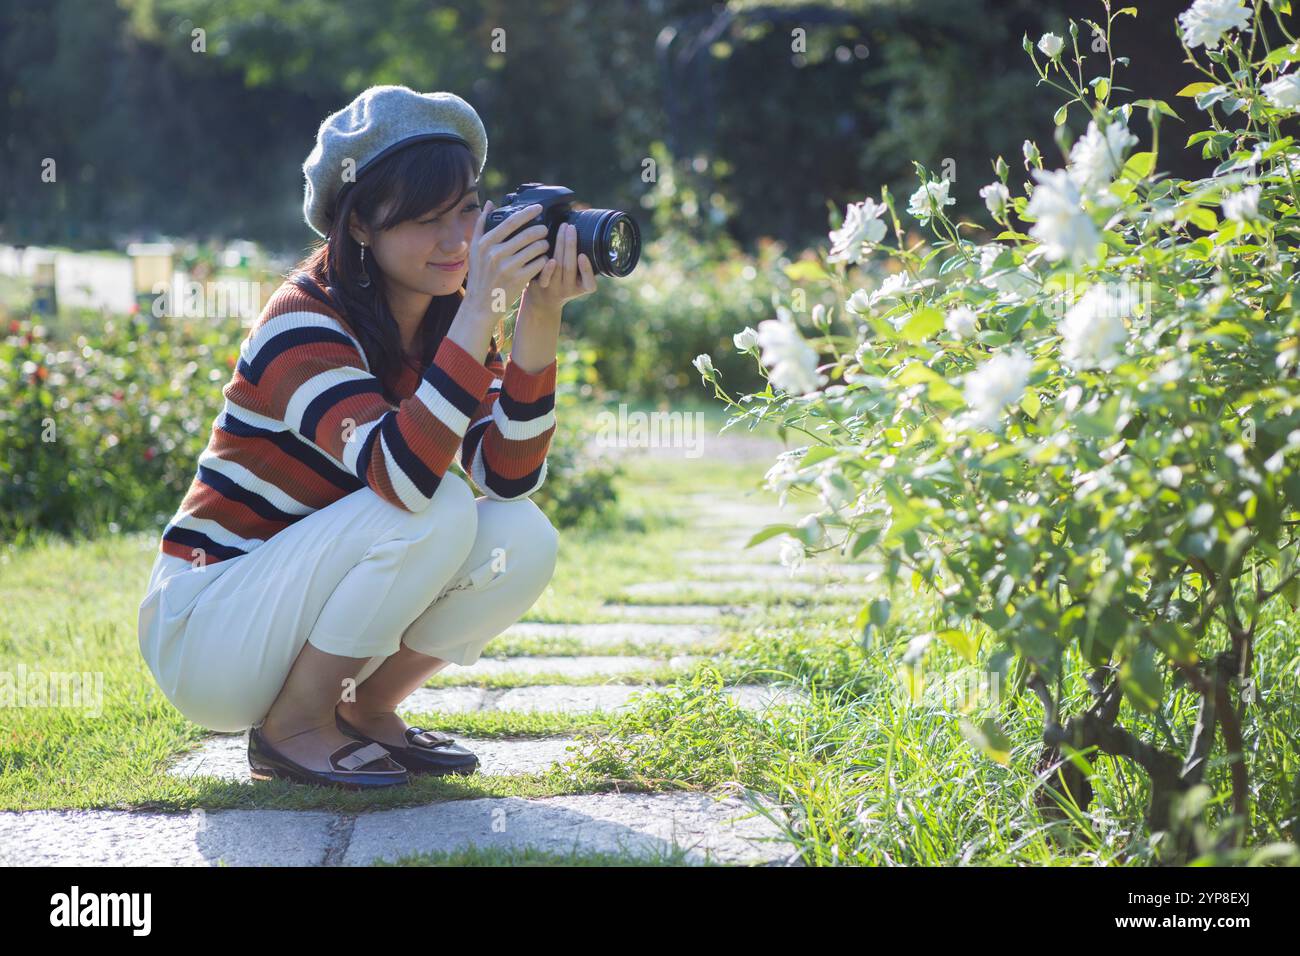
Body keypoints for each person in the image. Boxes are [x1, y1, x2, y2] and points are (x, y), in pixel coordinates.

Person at [135, 86, 598, 790]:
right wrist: (480, 310)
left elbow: (506, 475)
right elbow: (404, 478)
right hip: (208, 629)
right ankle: (293, 728)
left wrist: (537, 313)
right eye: (423, 220)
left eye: (468, 211)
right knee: (434, 503)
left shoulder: (451, 318)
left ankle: (364, 708)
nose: (457, 241)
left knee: (522, 535)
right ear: (359, 228)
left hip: (284, 613)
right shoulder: (302, 322)